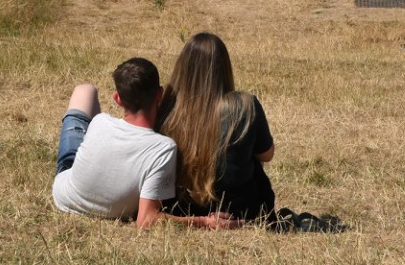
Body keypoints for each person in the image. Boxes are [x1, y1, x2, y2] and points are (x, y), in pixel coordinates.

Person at [51, 57, 235, 228]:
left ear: (117, 99)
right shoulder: (163, 148)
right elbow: (147, 219)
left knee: (84, 90)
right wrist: (205, 221)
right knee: (86, 91)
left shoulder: (100, 121)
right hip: (107, 208)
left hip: (66, 196)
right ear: (160, 94)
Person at [157, 33, 277, 224]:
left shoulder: (167, 106)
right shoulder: (245, 105)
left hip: (181, 207)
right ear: (224, 67)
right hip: (239, 210)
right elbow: (266, 155)